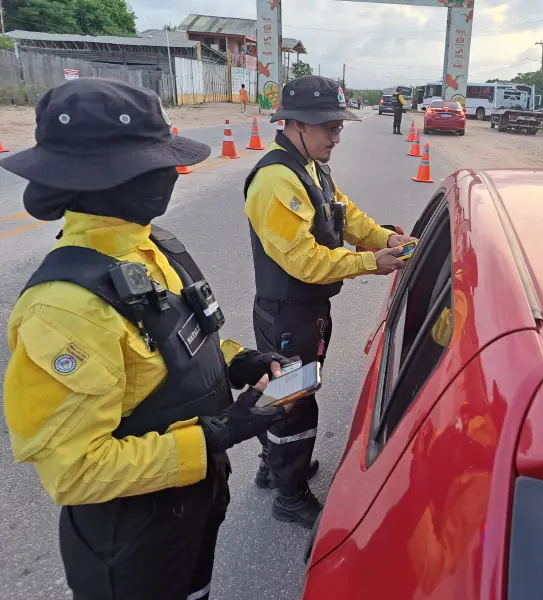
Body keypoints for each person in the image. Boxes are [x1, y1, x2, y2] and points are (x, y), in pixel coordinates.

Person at [1, 78, 292, 600]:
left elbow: (178, 345)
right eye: (153, 164)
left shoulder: (153, 245)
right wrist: (218, 433)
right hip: (132, 539)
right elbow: (75, 471)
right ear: (96, 177)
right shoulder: (65, 309)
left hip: (192, 502)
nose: (171, 175)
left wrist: (239, 362)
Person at [244, 75, 416, 528]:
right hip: (287, 312)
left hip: (307, 310)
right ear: (296, 123)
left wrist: (388, 239)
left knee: (290, 391)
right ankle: (289, 492)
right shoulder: (276, 181)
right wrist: (368, 263)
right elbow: (303, 261)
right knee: (295, 400)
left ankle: (275, 466)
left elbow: (347, 216)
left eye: (339, 125)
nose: (336, 136)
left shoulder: (312, 168)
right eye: (329, 127)